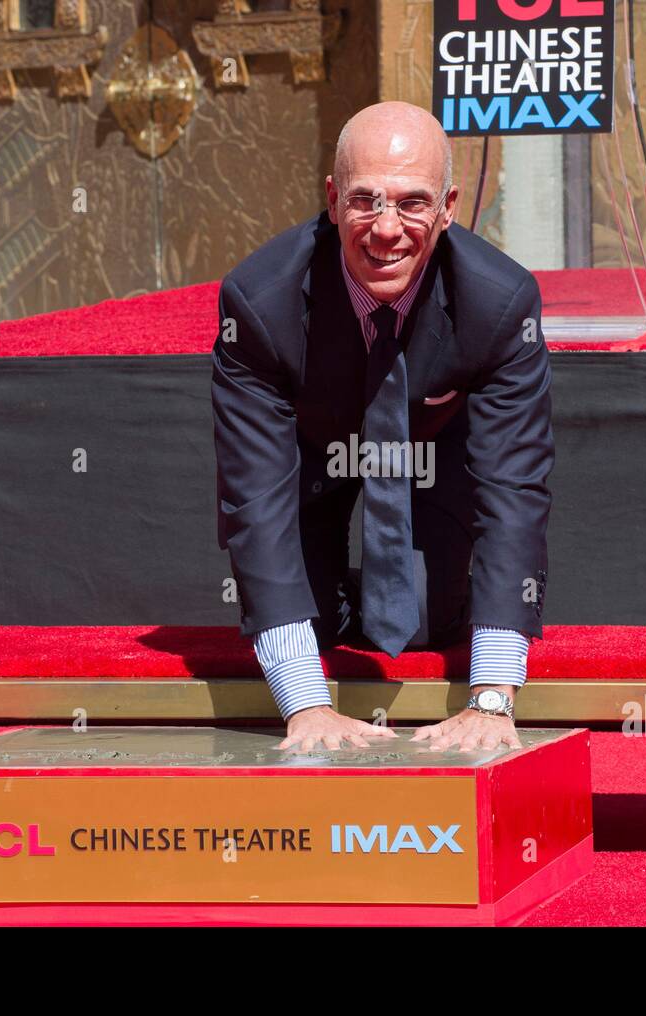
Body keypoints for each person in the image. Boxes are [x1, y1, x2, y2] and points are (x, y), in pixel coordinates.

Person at [211, 101, 553, 753]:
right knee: (316, 623)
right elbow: (255, 499)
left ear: (449, 207)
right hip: (311, 451)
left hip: (433, 442)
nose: (386, 229)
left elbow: (515, 490)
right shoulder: (258, 304)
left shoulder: (501, 303)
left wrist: (491, 696)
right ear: (333, 201)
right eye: (365, 201)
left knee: (423, 627)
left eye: (412, 202)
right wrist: (304, 702)